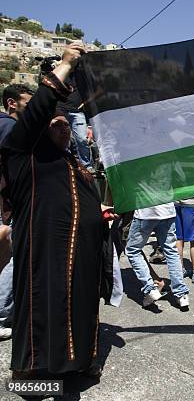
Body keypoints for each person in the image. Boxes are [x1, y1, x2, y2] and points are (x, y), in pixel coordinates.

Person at [1, 43, 114, 377]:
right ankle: (33, 380)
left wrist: (101, 209)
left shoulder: (71, 162)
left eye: (67, 125)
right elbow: (39, 108)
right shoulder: (24, 152)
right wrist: (66, 64)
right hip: (45, 252)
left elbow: (83, 197)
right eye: (55, 124)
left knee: (79, 307)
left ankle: (76, 367)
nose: (63, 128)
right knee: (43, 311)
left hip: (82, 253)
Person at [0, 84, 33, 341]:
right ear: (12, 103)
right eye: (26, 102)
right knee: (12, 256)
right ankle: (2, 316)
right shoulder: (11, 128)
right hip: (8, 202)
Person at [125, 203, 190, 308]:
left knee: (133, 250)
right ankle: (181, 294)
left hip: (146, 212)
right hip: (167, 211)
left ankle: (150, 288)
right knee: (171, 251)